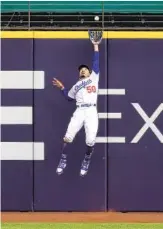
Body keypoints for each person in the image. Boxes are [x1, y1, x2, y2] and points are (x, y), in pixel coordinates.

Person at [52, 40, 101, 177]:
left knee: (90, 140)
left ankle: (86, 160)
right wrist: (62, 88)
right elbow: (69, 97)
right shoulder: (75, 86)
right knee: (68, 137)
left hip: (91, 111)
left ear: (89, 72)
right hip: (79, 111)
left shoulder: (94, 78)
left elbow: (96, 62)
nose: (83, 70)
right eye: (81, 70)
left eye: (85, 69)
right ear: (79, 73)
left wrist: (95, 45)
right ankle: (63, 160)